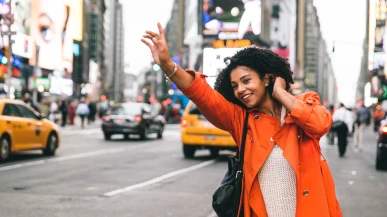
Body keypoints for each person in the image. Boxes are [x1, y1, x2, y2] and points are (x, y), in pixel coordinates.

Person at [142, 23, 342, 217]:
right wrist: (168, 65)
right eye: (235, 85)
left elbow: (320, 124)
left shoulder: (305, 103)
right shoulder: (241, 121)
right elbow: (202, 94)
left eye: (246, 81)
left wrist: (280, 93)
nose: (240, 90)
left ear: (266, 78)